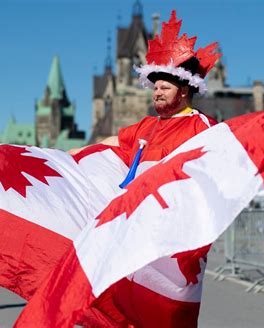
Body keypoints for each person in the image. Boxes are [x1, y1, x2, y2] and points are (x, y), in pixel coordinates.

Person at [70, 10, 221, 327]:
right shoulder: (147, 127)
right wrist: (66, 156)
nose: (156, 92)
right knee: (126, 309)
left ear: (183, 90)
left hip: (176, 241)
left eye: (164, 86)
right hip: (139, 235)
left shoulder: (201, 127)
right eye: (154, 87)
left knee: (169, 313)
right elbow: (113, 141)